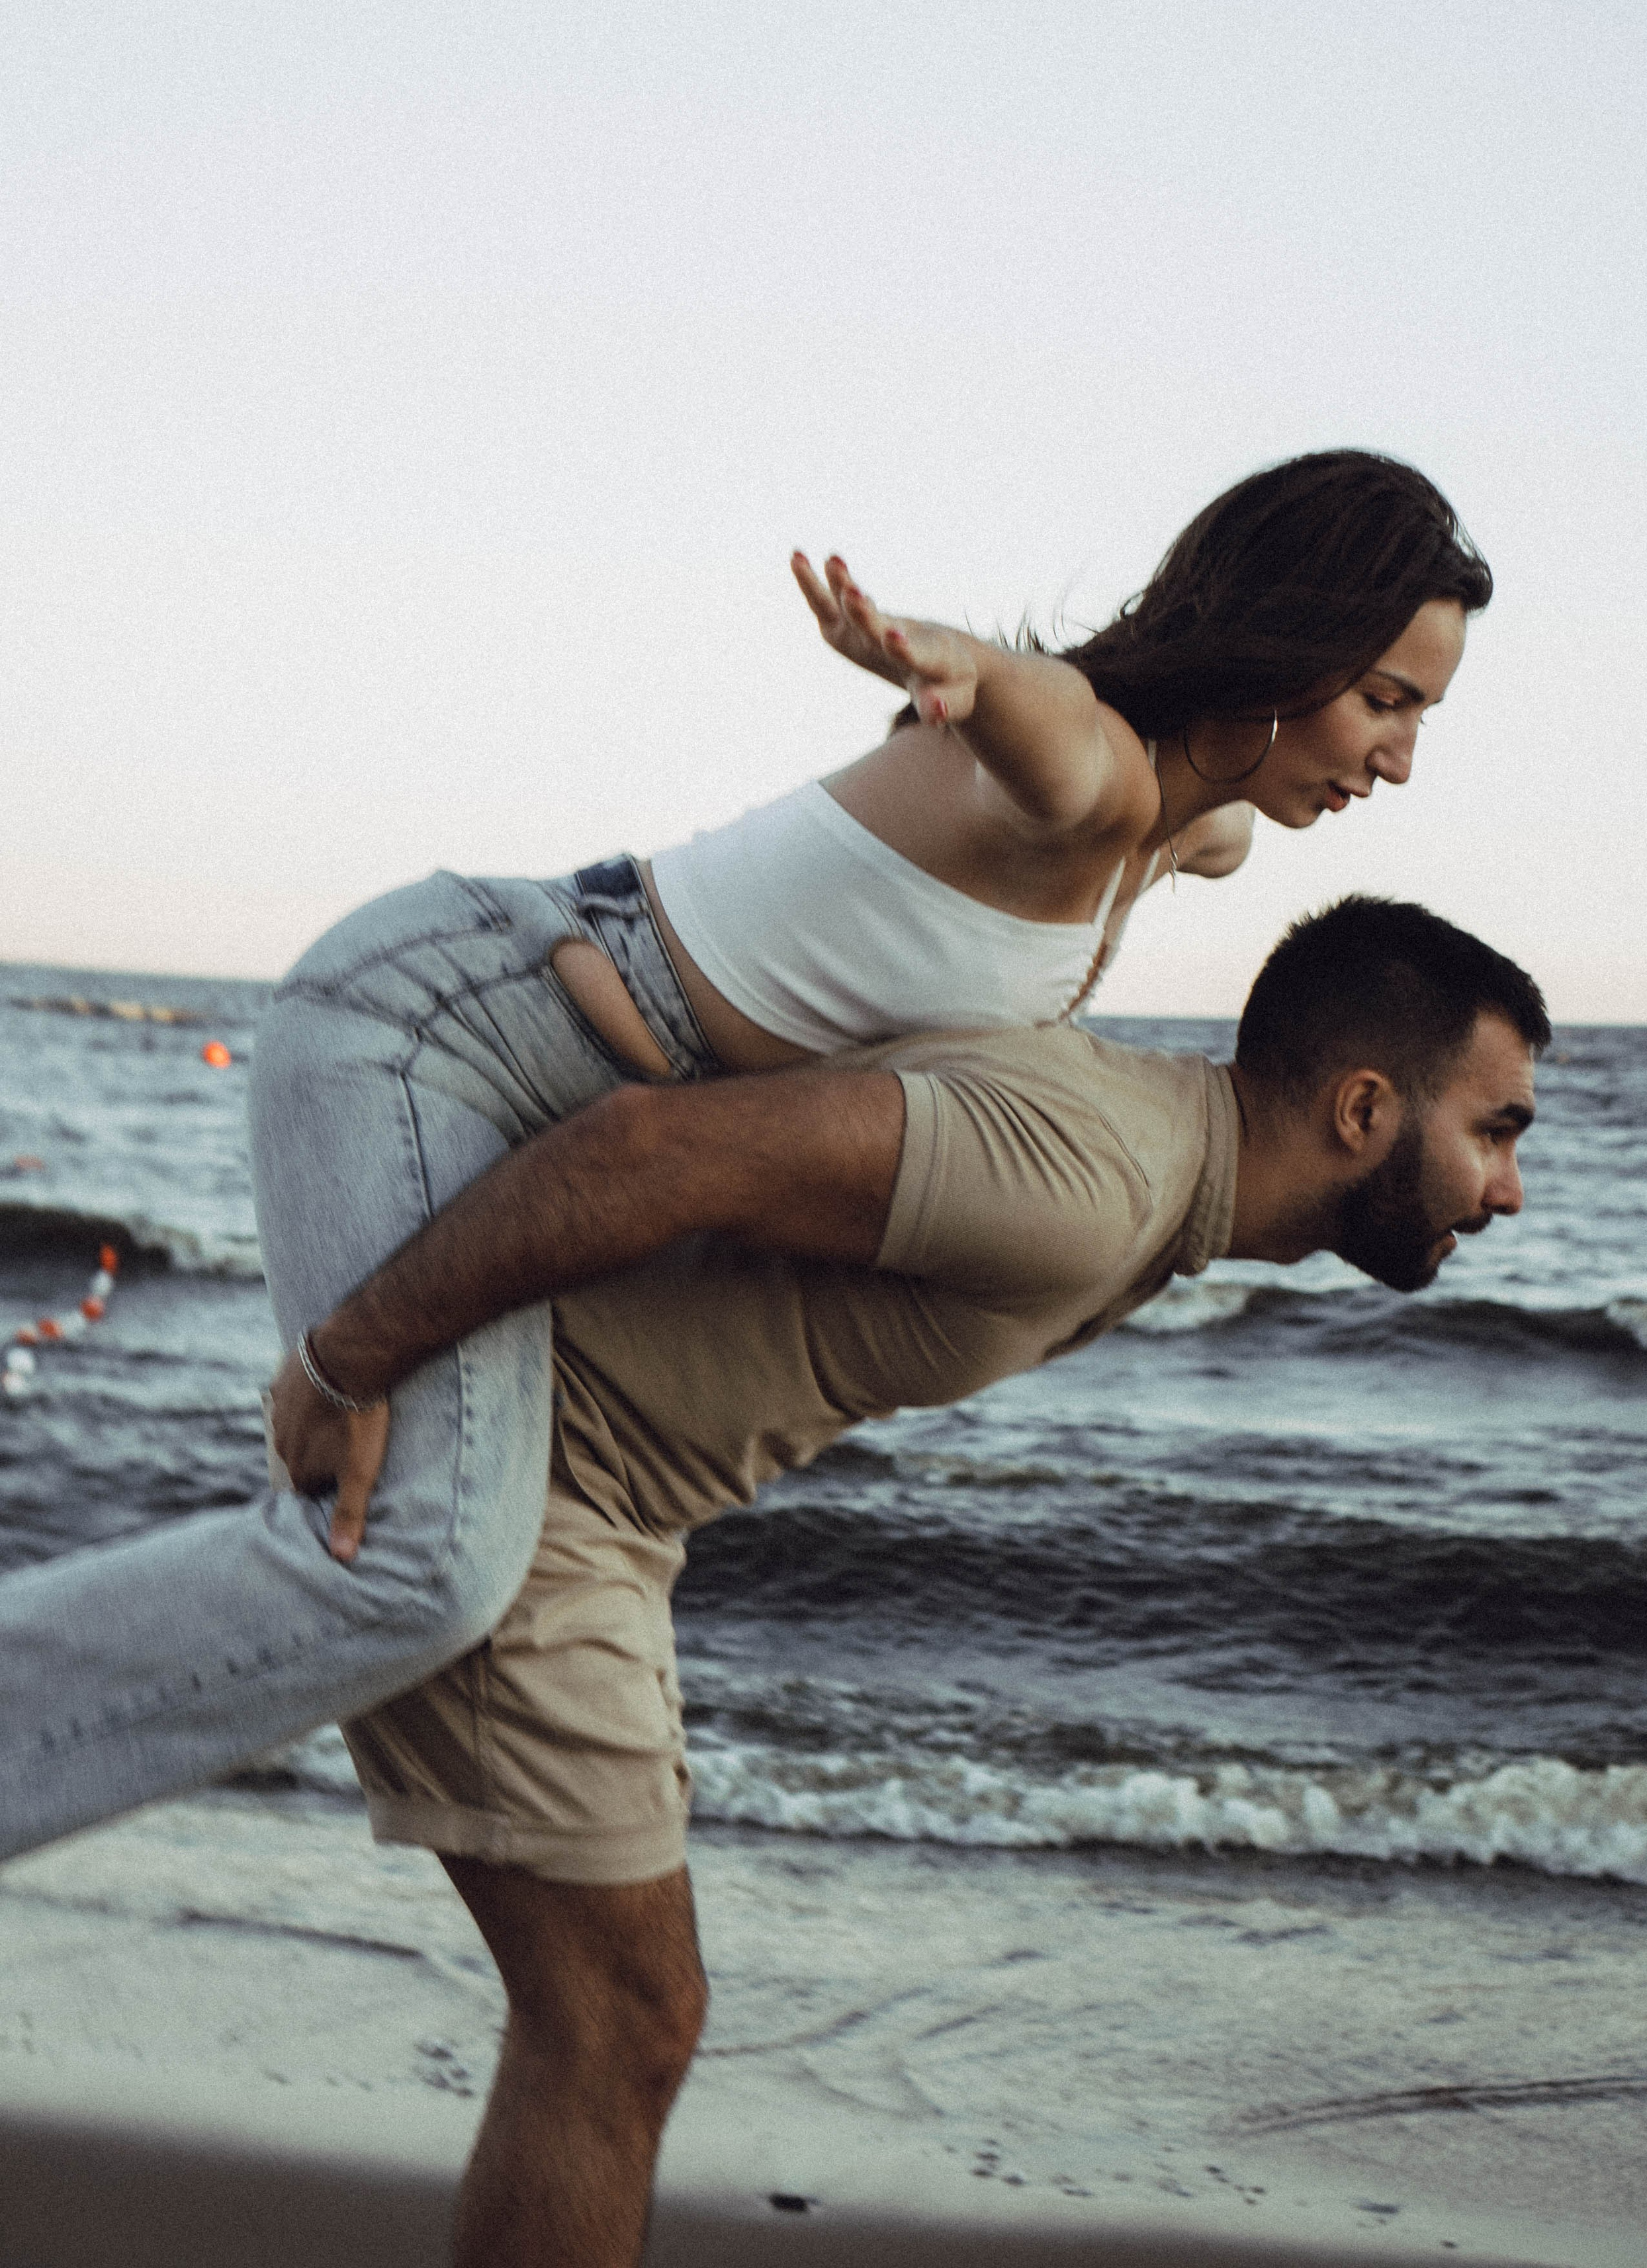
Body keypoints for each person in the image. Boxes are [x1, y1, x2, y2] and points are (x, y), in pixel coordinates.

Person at [0, 452, 1486, 1853]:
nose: (1402, 758)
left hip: (527, 1099)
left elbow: (1172, 814)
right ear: (1285, 649)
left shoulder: (1182, 833)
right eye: (1381, 699)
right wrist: (954, 664)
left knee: (443, 1562)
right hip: (436, 1026)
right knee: (426, 1567)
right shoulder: (1085, 771)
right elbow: (1045, 716)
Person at [246, 895, 1543, 2268]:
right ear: (1359, 1110)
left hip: (597, 1509)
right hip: (524, 1486)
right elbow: (645, 1150)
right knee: (619, 2022)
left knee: (620, 2020)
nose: (1508, 1190)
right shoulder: (1090, 1178)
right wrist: (347, 1361)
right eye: (1494, 1130)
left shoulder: (1142, 1160)